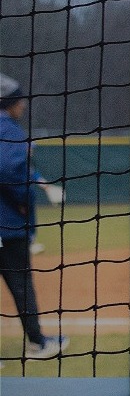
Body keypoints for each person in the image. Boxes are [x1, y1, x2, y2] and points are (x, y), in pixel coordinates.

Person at [0, 75, 65, 359]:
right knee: (20, 282)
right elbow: (9, 169)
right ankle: (39, 342)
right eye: (21, 100)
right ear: (11, 103)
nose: (23, 106)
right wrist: (24, 201)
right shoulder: (7, 130)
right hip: (6, 228)